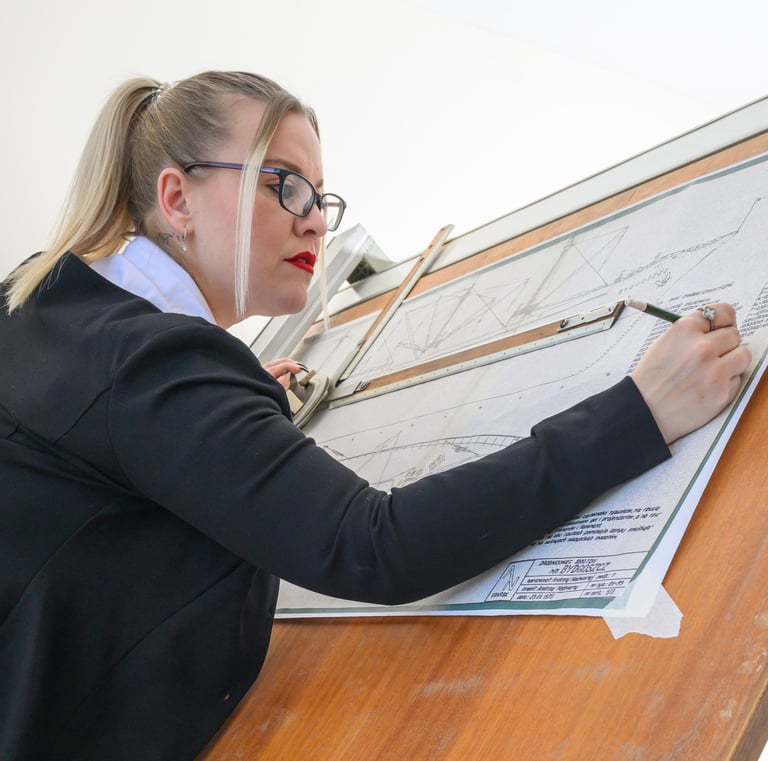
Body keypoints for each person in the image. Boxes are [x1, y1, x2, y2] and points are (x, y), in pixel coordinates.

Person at [0, 70, 751, 761]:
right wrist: (641, 412)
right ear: (175, 199)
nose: (314, 222)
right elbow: (378, 547)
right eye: (284, 184)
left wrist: (219, 412)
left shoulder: (46, 303)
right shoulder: (152, 368)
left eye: (319, 197)